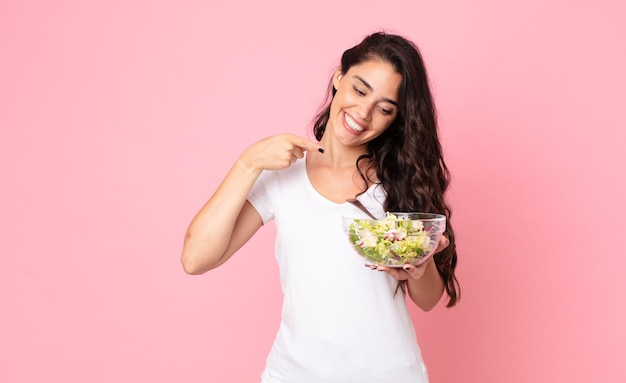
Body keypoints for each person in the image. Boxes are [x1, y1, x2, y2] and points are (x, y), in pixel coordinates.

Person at [181, 31, 460, 383]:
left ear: (395, 119)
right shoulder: (282, 176)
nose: (363, 113)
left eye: (385, 108)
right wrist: (248, 163)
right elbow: (195, 258)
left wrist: (421, 267)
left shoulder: (400, 182)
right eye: (360, 90)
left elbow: (429, 298)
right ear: (339, 77)